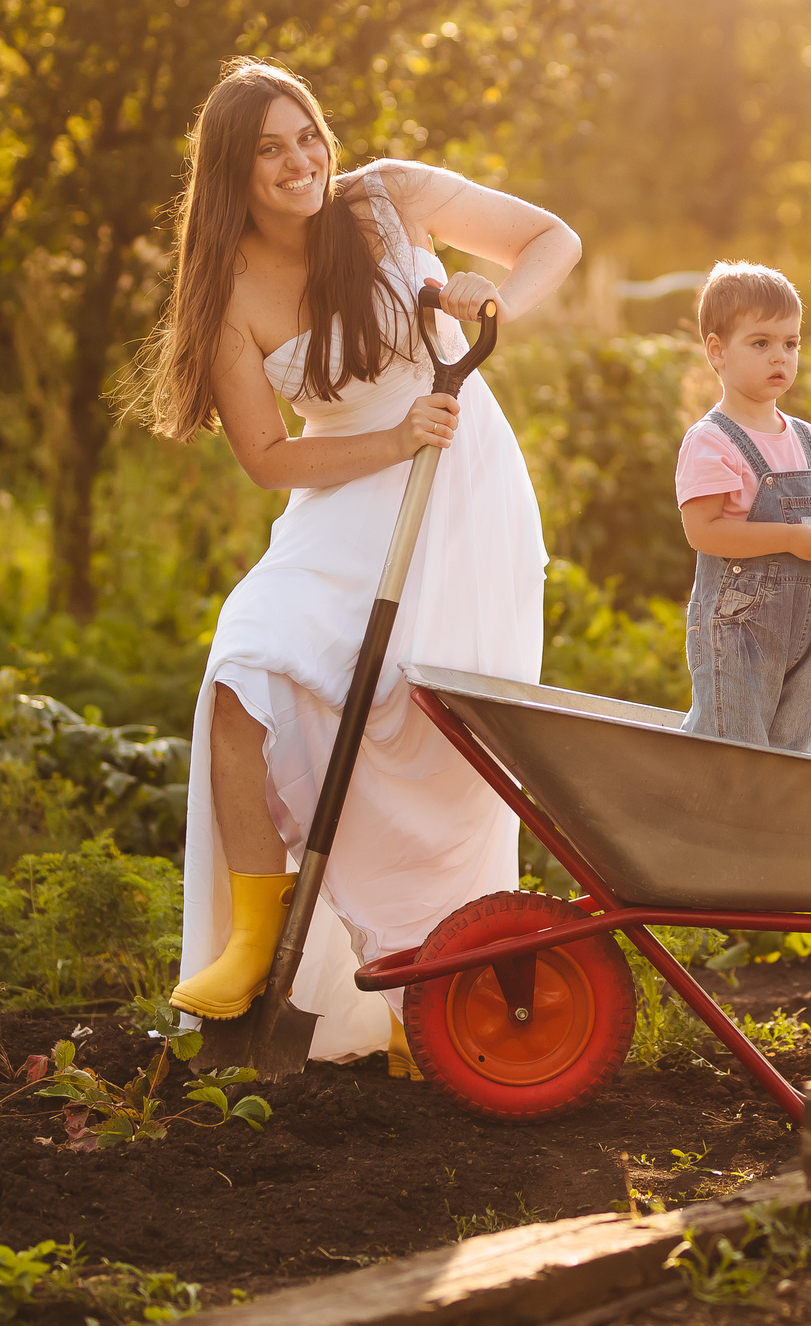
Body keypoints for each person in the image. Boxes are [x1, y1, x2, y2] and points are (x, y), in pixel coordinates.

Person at [134, 58, 580, 1070]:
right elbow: (268, 458)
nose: (299, 162)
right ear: (230, 174)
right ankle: (259, 936)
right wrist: (389, 442)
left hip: (460, 485)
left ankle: (427, 989)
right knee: (241, 675)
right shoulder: (224, 296)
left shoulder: (385, 200)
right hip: (344, 488)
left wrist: (491, 306)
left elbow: (555, 239)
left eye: (307, 137)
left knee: (423, 734)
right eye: (269, 150)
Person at [673, 262, 811, 752]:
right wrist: (791, 540)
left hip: (807, 629)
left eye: (790, 343)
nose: (779, 356)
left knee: (793, 750)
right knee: (733, 748)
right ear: (717, 352)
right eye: (760, 343)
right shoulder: (713, 441)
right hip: (740, 632)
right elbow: (704, 531)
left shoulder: (804, 438)